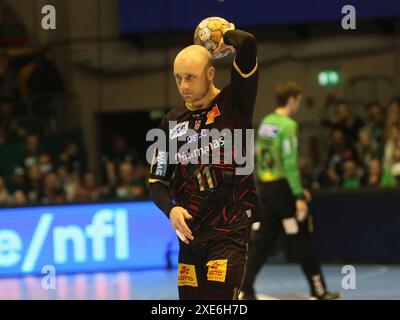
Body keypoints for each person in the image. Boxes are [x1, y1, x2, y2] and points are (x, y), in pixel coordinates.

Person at [148, 23, 260, 300]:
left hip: (229, 232)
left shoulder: (235, 102)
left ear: (210, 73)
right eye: (177, 78)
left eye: (190, 77)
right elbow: (157, 181)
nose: (183, 86)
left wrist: (223, 37)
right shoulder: (170, 122)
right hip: (190, 238)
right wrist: (171, 210)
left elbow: (248, 44)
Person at [240, 81, 340, 300]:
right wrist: (298, 194)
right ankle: (319, 290)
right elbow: (290, 163)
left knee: (262, 241)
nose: (299, 105)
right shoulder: (289, 126)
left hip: (265, 188)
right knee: (302, 238)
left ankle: (244, 287)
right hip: (283, 189)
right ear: (292, 99)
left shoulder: (266, 122)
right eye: (299, 101)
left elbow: (257, 155)